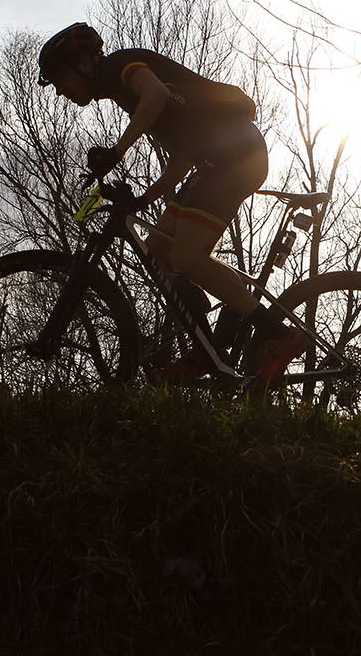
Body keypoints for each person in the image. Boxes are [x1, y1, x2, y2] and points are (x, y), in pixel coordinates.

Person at [36, 21, 303, 385]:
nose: (60, 91)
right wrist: (144, 199)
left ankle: (278, 334)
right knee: (158, 252)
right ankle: (207, 346)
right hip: (213, 162)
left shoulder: (119, 67)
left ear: (84, 63)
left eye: (59, 78)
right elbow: (180, 159)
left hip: (235, 155)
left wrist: (116, 152)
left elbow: (157, 94)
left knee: (187, 257)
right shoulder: (127, 97)